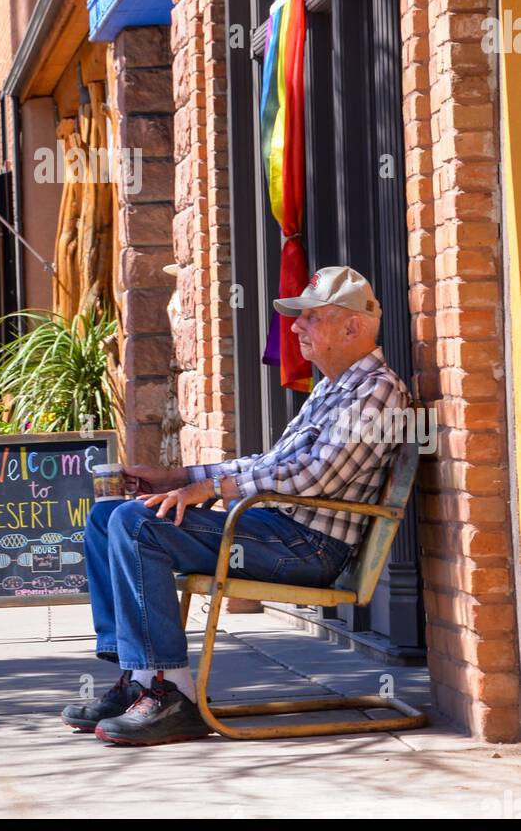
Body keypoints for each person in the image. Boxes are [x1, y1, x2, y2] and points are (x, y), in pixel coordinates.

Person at [61, 266, 411, 747]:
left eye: (309, 318)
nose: (295, 328)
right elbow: (271, 463)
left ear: (351, 326)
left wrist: (211, 490)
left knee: (137, 525)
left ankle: (170, 693)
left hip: (307, 546)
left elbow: (314, 476)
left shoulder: (376, 389)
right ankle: (139, 679)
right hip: (275, 527)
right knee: (106, 517)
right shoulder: (334, 386)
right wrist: (182, 477)